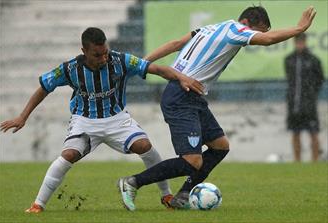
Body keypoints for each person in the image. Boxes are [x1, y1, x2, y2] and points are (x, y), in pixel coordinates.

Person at [117, 6, 317, 211]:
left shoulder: (208, 29)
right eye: (258, 31)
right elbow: (268, 40)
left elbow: (175, 44)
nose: (255, 38)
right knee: (192, 161)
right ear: (247, 23)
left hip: (193, 95)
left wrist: (143, 62)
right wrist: (298, 29)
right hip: (181, 95)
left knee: (220, 146)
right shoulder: (236, 29)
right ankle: (133, 182)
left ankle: (184, 194)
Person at [0, 27, 204, 213]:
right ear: (84, 51)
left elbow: (157, 69)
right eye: (97, 55)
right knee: (68, 155)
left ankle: (166, 195)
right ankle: (38, 205)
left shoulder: (121, 60)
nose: (103, 58)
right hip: (85, 121)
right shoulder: (70, 69)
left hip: (117, 119)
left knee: (145, 145)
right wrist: (22, 117)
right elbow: (44, 88)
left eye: (105, 52)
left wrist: (181, 77)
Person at [284, 33, 324, 162]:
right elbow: (290, 79)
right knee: (295, 132)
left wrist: (311, 94)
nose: (300, 44)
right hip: (294, 103)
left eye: (302, 41)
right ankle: (297, 161)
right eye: (298, 41)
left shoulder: (313, 60)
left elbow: (320, 79)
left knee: (313, 132)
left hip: (309, 103)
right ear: (294, 42)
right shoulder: (289, 59)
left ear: (306, 42)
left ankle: (315, 160)